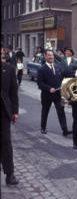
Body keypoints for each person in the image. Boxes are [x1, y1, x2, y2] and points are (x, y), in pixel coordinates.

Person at [37, 49, 73, 136]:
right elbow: (40, 83)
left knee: (61, 112)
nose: (51, 57)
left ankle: (65, 130)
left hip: (58, 95)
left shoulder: (57, 67)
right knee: (45, 111)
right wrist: (49, 88)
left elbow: (65, 74)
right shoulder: (41, 69)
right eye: (49, 55)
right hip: (46, 95)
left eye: (52, 55)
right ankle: (43, 127)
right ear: (45, 56)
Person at [1, 47, 19, 185]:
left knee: (6, 143)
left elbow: (14, 92)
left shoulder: (8, 69)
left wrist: (15, 111)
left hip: (3, 112)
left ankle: (9, 174)